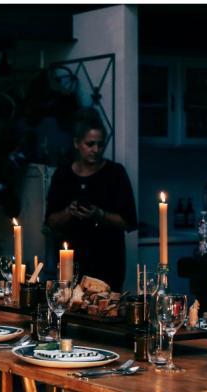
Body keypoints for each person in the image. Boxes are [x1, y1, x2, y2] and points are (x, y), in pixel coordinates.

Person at [44, 109, 137, 291]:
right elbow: (50, 222)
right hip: (72, 263)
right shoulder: (63, 175)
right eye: (90, 144)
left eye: (100, 145)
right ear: (77, 143)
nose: (96, 149)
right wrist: (69, 212)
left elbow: (128, 222)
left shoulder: (115, 174)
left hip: (108, 263)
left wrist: (99, 214)